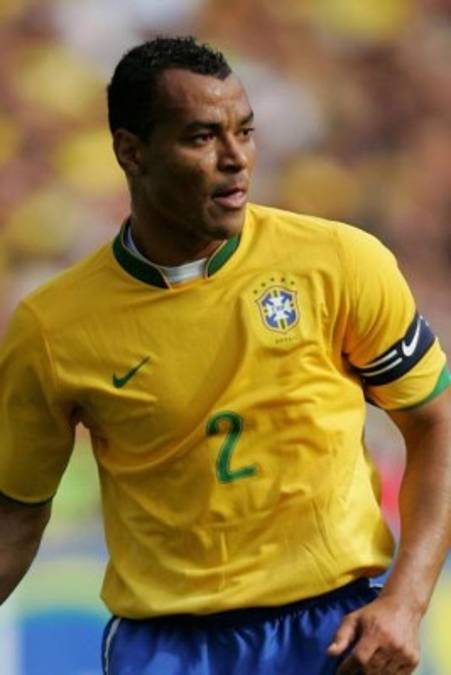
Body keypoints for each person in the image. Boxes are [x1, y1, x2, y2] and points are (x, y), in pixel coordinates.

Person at [0, 36, 449, 675]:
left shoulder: (340, 262)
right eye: (202, 137)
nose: (236, 158)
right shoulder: (54, 328)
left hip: (333, 632)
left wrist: (406, 601)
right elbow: (16, 516)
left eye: (245, 131)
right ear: (131, 152)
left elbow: (437, 422)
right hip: (166, 648)